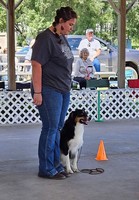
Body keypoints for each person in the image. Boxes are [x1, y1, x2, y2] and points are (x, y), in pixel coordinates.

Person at [31, 6, 77, 180]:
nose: (72, 28)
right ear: (60, 22)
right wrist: (38, 92)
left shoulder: (61, 38)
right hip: (49, 90)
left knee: (57, 128)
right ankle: (46, 168)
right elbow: (36, 65)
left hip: (63, 89)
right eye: (70, 24)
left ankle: (56, 164)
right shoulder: (45, 38)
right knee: (50, 128)